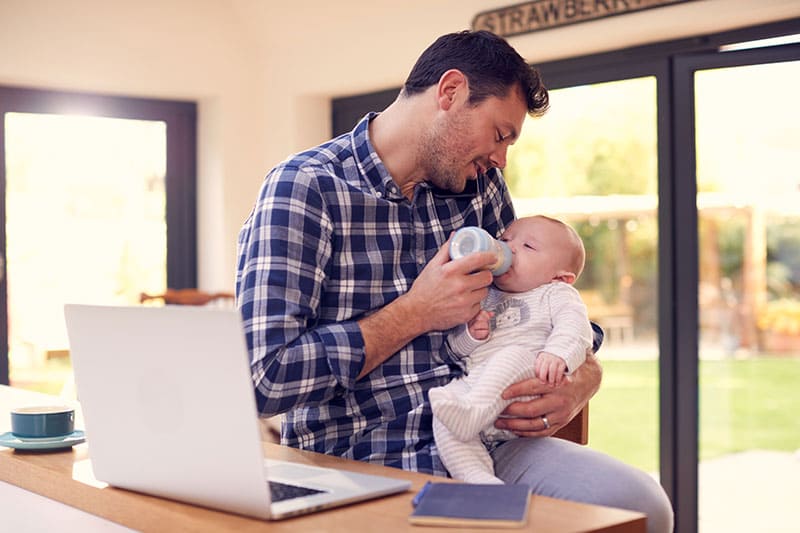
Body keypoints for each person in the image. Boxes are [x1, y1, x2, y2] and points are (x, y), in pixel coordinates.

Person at [236, 30, 673, 532]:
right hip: (361, 458)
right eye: (500, 134)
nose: (502, 158)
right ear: (450, 92)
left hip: (488, 443)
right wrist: (415, 313)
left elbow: (541, 297)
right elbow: (261, 378)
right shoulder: (305, 189)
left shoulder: (478, 187)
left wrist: (583, 378)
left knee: (640, 504)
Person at [430, 215, 593, 484]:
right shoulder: (485, 294)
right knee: (446, 409)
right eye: (505, 240)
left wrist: (558, 355)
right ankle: (478, 477)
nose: (510, 248)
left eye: (528, 246)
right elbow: (456, 351)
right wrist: (471, 334)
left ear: (560, 277)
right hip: (480, 393)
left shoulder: (555, 294)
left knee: (511, 356)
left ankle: (470, 412)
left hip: (527, 383)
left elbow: (576, 328)